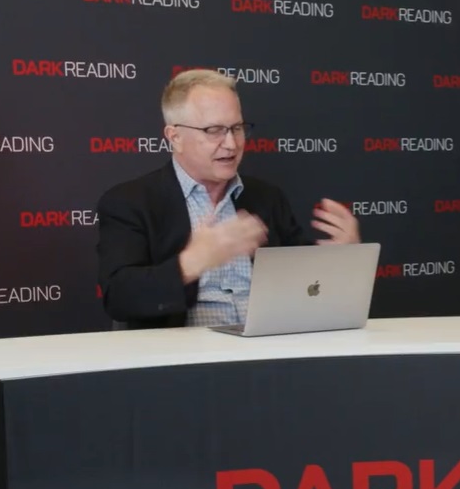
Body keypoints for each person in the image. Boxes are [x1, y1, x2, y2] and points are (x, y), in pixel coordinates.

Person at [96, 69, 361, 329]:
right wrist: (192, 262)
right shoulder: (131, 201)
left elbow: (304, 286)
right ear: (175, 137)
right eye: (214, 130)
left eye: (237, 128)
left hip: (269, 353)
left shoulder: (266, 197)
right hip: (188, 362)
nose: (232, 144)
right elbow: (120, 296)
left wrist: (341, 261)